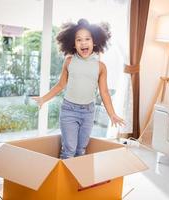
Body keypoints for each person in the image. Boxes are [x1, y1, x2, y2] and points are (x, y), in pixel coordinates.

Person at [33, 19, 125, 159]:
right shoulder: (69, 61)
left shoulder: (100, 67)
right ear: (73, 44)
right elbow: (60, 85)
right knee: (69, 149)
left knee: (81, 149)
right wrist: (43, 99)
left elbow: (104, 92)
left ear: (94, 42)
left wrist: (112, 114)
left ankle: (76, 179)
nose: (83, 43)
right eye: (79, 40)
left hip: (88, 112)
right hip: (69, 110)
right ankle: (64, 180)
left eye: (87, 39)